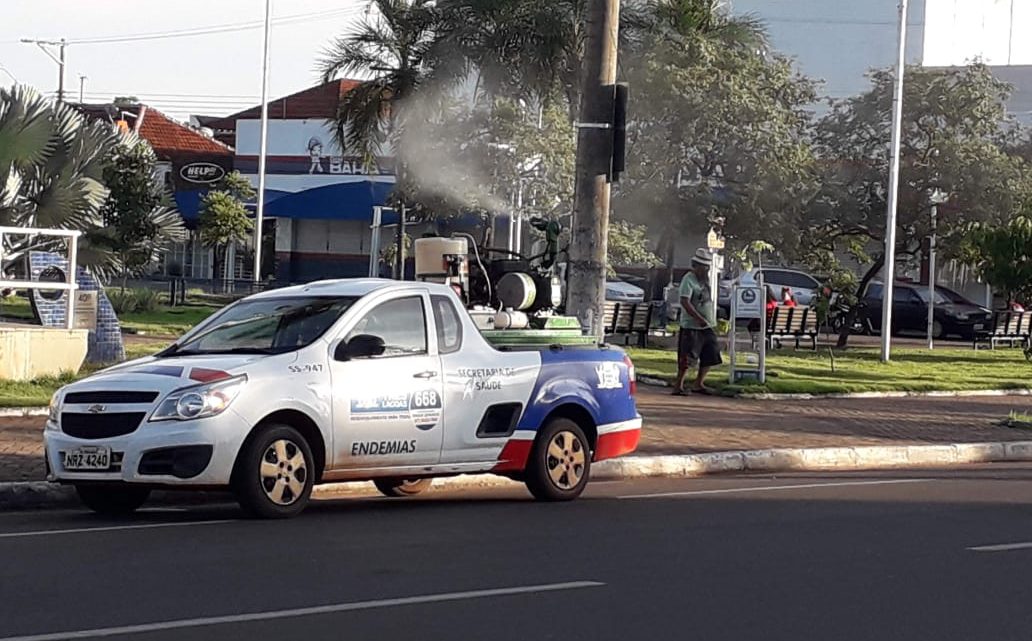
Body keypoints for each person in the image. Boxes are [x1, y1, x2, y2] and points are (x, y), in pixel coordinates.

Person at [674, 248, 722, 396]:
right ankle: (678, 386)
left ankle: (698, 383)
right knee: (687, 357)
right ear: (696, 266)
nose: (706, 270)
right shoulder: (688, 279)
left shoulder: (705, 280)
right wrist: (698, 318)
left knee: (711, 354)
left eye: (707, 267)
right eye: (703, 267)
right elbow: (685, 301)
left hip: (707, 326)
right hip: (692, 326)